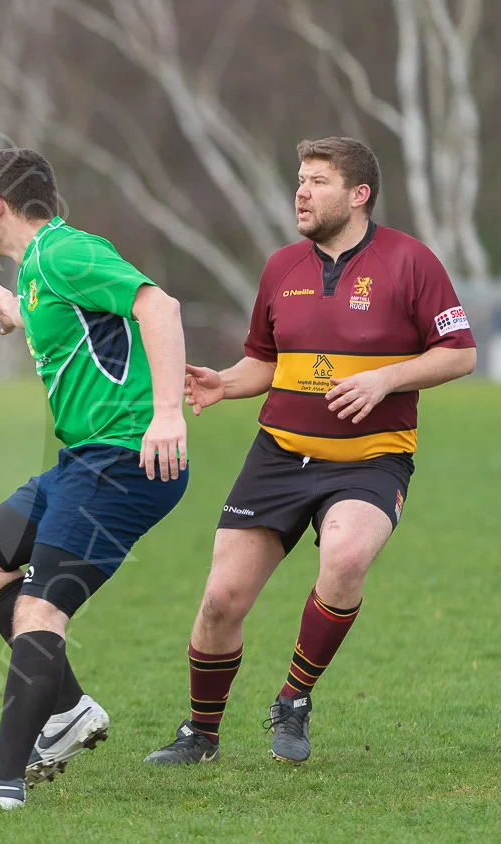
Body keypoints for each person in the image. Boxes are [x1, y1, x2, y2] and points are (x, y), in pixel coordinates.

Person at [144, 137, 475, 767]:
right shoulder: (281, 268)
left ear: (359, 195)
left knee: (346, 560)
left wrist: (387, 378)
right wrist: (226, 382)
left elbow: (461, 353)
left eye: (318, 181)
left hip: (372, 458)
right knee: (221, 602)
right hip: (278, 456)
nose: (301, 191)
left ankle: (293, 699)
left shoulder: (411, 261)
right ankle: (200, 734)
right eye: (300, 179)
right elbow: (266, 362)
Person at [0, 147, 190, 810]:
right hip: (82, 459)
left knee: (40, 607)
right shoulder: (38, 270)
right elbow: (81, 327)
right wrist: (19, 316)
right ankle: (65, 711)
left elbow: (158, 306)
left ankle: (2, 777)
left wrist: (167, 413)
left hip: (121, 461)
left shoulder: (64, 251)